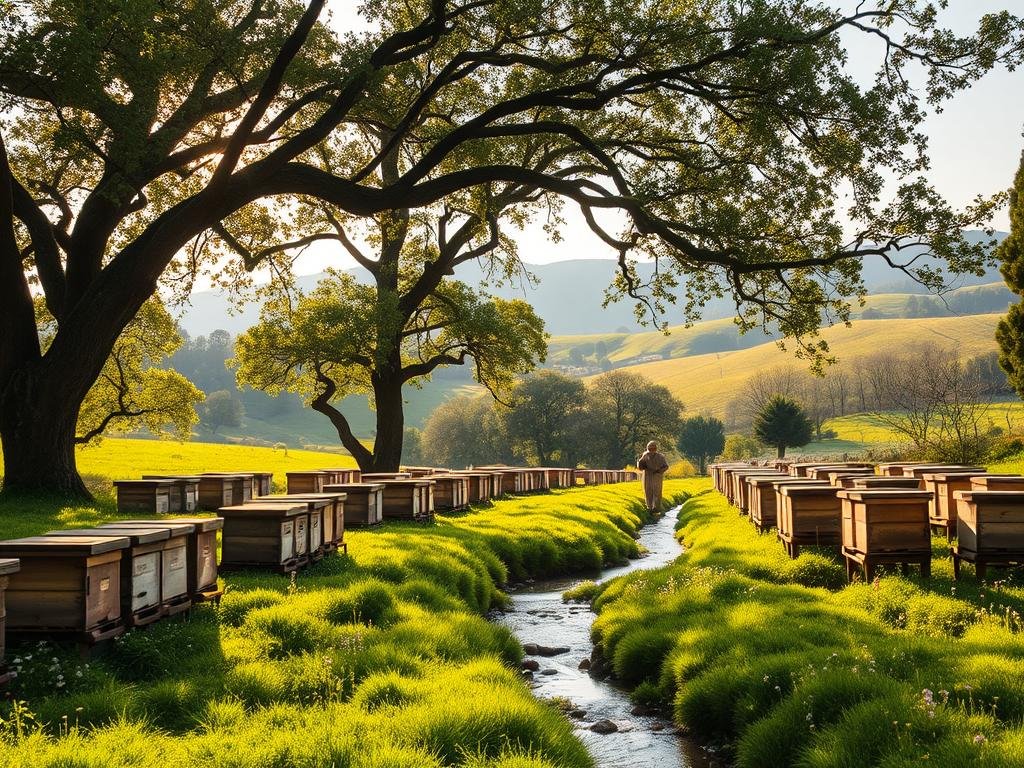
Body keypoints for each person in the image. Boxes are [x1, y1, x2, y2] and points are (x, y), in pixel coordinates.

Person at [637, 440, 668, 513]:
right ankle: (649, 507)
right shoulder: (645, 455)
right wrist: (640, 460)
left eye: (653, 449)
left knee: (657, 492)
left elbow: (666, 466)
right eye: (650, 449)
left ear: (656, 449)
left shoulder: (660, 457)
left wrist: (659, 471)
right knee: (648, 492)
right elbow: (640, 467)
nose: (651, 450)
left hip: (657, 477)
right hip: (647, 476)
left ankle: (656, 508)